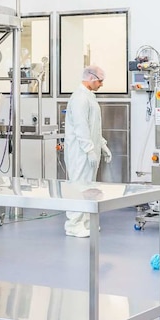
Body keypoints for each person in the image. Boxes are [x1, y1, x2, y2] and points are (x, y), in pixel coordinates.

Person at [63, 65, 111, 238]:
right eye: (100, 81)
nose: (101, 85)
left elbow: (94, 127)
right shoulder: (79, 98)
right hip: (80, 152)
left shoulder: (89, 97)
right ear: (91, 78)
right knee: (78, 186)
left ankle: (84, 222)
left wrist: (102, 144)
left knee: (88, 187)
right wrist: (90, 149)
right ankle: (73, 225)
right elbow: (81, 127)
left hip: (90, 150)